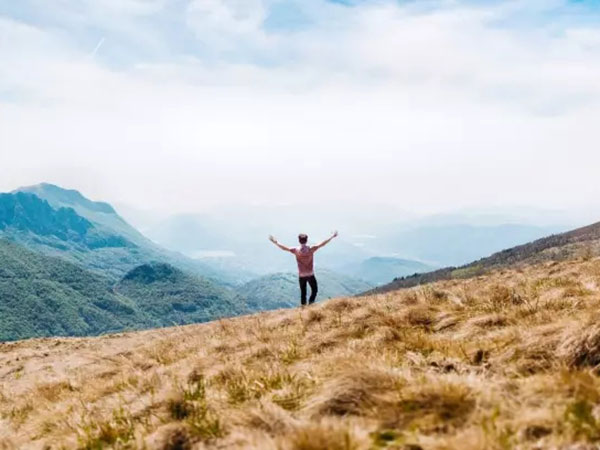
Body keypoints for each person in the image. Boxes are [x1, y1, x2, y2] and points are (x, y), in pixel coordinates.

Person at [268, 231, 338, 306]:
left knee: (303, 293)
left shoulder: (295, 250)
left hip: (301, 275)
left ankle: (303, 308)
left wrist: (275, 242)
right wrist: (331, 236)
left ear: (299, 240)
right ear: (306, 240)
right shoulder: (311, 249)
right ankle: (311, 304)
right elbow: (322, 244)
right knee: (314, 290)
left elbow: (284, 248)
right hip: (310, 274)